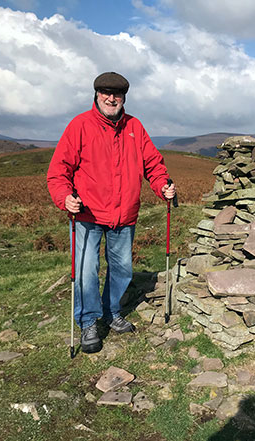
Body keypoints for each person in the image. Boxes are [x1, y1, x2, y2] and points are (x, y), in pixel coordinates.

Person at [47, 72, 176, 353]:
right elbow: (58, 172)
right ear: (96, 95)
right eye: (105, 92)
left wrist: (163, 185)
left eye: (116, 94)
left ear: (124, 98)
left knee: (122, 269)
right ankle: (89, 320)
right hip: (87, 214)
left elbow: (153, 164)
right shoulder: (79, 126)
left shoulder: (135, 127)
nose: (111, 98)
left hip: (124, 215)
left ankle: (111, 311)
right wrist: (64, 197)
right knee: (86, 271)